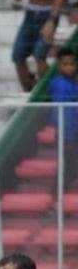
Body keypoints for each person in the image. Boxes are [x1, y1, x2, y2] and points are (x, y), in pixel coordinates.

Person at [11, 0, 66, 92]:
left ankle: (48, 93)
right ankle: (28, 92)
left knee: (39, 54)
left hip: (48, 13)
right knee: (17, 56)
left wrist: (52, 21)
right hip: (30, 13)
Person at [50, 48, 78, 186]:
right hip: (66, 133)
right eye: (65, 64)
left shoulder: (73, 83)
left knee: (71, 165)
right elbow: (64, 113)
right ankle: (56, 193)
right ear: (59, 65)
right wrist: (69, 137)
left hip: (74, 130)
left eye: (72, 64)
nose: (69, 68)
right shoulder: (60, 85)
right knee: (68, 167)